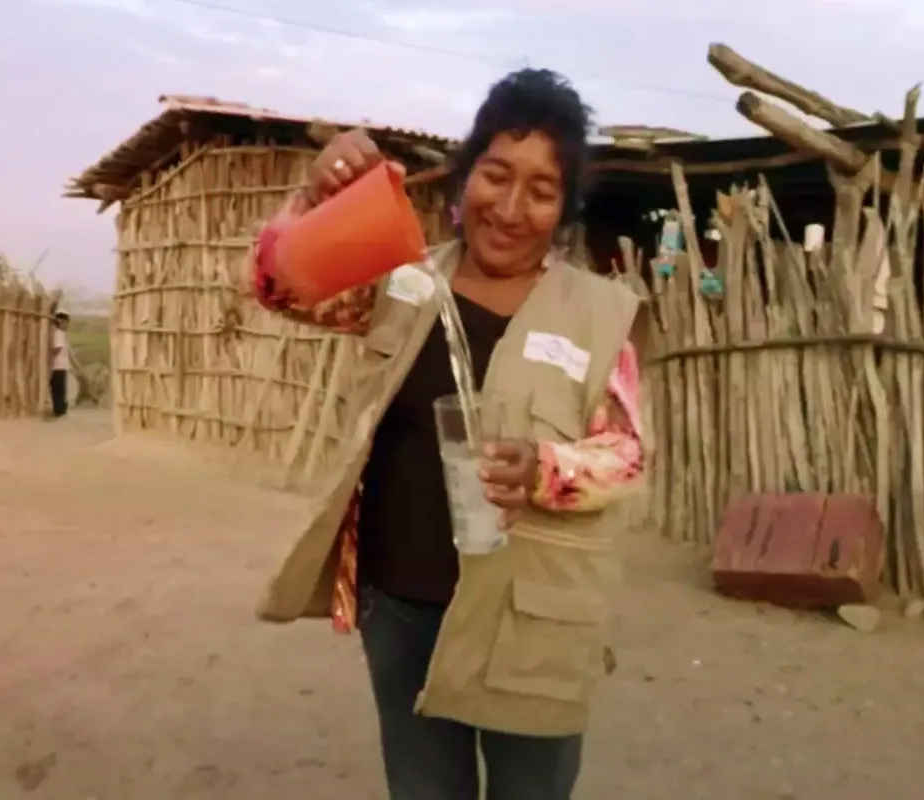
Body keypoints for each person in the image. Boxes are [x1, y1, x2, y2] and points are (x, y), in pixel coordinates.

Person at [250, 68, 645, 799]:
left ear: (564, 210)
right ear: (465, 179)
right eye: (496, 174)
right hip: (400, 605)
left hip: (532, 618)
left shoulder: (598, 315)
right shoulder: (402, 282)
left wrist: (545, 468)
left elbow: (627, 454)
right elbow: (282, 287)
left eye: (542, 190)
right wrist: (313, 199)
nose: (511, 207)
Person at [49, 309, 70, 418]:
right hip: (57, 365)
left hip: (60, 365)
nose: (67, 325)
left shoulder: (59, 333)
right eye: (66, 322)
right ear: (60, 322)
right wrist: (50, 359)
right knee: (58, 389)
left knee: (59, 389)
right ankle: (59, 409)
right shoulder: (59, 334)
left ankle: (60, 409)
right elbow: (57, 348)